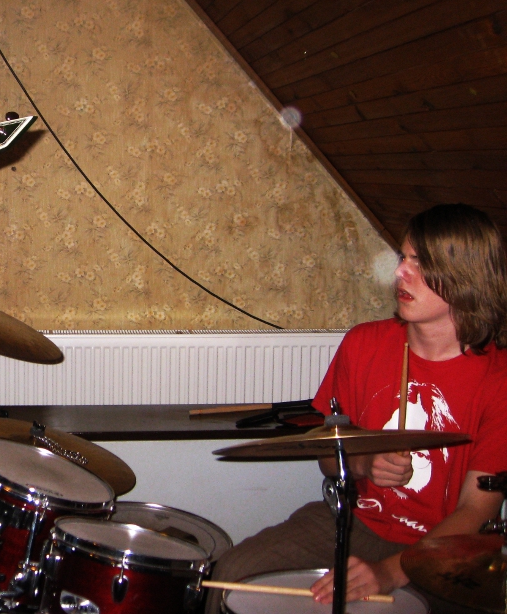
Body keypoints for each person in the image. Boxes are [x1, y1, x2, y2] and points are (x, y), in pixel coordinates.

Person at [205, 203, 507, 614]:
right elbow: (329, 456)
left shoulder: (498, 378)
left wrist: (390, 571)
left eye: (421, 262)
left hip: (445, 545)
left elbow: (478, 509)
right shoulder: (364, 344)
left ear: (467, 278)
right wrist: (364, 464)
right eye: (404, 258)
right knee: (229, 575)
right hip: (352, 522)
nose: (400, 271)